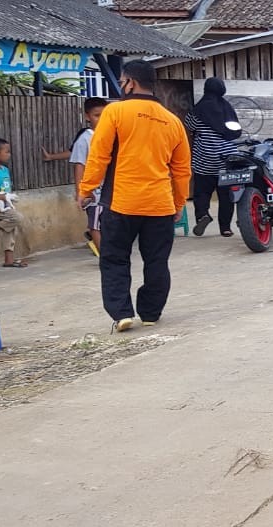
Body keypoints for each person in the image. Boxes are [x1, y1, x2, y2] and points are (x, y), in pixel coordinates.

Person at [80, 59, 192, 333]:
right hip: (160, 205)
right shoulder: (172, 120)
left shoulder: (114, 111)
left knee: (114, 258)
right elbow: (181, 170)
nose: (121, 86)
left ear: (130, 82)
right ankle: (151, 313)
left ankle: (122, 313)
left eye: (121, 81)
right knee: (156, 260)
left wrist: (86, 189)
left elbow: (99, 155)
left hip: (122, 202)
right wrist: (179, 203)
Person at [42, 97, 110, 254]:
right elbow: (79, 164)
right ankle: (105, 258)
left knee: (107, 224)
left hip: (110, 191)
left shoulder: (110, 135)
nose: (101, 119)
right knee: (95, 226)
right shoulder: (85, 138)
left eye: (104, 115)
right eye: (97, 115)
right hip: (95, 193)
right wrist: (81, 192)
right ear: (87, 116)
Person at [185, 78, 242, 237]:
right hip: (227, 158)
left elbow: (189, 125)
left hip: (205, 157)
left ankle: (203, 215)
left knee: (202, 192)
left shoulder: (199, 108)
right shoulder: (228, 108)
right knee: (226, 196)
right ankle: (225, 228)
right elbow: (236, 131)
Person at [0, 137, 29, 268]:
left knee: (10, 230)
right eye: (7, 151)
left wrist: (9, 197)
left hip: (5, 206)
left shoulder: (4, 170)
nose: (9, 154)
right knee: (17, 218)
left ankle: (9, 260)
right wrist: (2, 197)